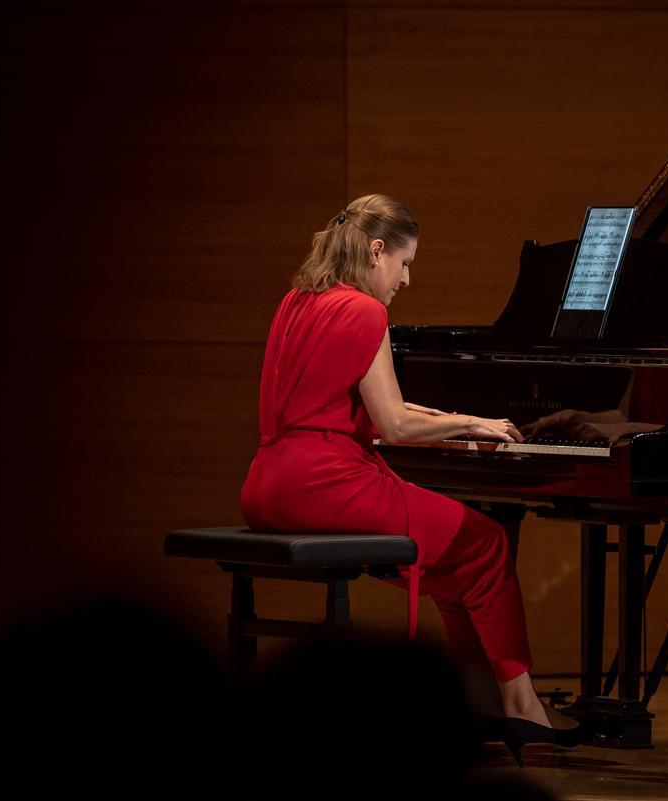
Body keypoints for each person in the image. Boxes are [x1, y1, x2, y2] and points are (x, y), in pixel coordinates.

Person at [239, 193, 580, 759]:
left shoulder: (298, 300)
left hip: (267, 485)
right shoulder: (366, 311)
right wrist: (471, 421)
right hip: (326, 484)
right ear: (377, 252)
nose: (406, 278)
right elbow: (393, 423)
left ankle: (476, 704)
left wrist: (461, 424)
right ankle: (522, 708)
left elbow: (364, 405)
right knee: (488, 544)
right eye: (404, 263)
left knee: (458, 569)